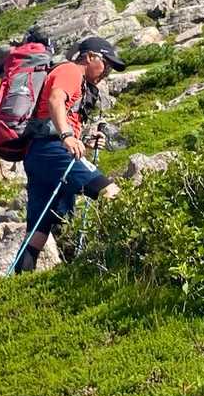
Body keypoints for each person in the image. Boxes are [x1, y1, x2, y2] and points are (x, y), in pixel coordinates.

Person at [20, 36, 126, 264]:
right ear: (90, 57)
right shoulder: (71, 71)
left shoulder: (75, 77)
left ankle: (17, 279)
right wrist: (67, 136)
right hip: (54, 151)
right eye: (106, 64)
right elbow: (55, 100)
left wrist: (83, 141)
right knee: (111, 192)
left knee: (40, 228)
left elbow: (54, 116)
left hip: (37, 154)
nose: (107, 71)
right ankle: (127, 255)